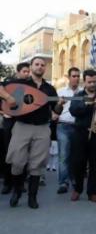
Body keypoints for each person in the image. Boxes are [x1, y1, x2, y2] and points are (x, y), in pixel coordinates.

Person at [4, 57, 64, 208]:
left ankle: (32, 197)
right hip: (22, 126)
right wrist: (9, 97)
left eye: (42, 65)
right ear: (31, 67)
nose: (40, 67)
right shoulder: (21, 83)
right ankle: (17, 191)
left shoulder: (49, 89)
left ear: (45, 68)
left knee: (37, 165)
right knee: (17, 162)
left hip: (42, 128)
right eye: (37, 64)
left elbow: (55, 112)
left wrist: (59, 105)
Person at [69, 69, 96, 202]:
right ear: (84, 82)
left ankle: (92, 192)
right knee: (78, 163)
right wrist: (88, 105)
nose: (92, 84)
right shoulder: (79, 95)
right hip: (80, 133)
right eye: (90, 82)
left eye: (94, 81)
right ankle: (77, 189)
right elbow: (73, 111)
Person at [1, 62, 30, 194]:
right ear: (18, 72)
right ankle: (8, 183)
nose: (27, 73)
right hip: (9, 122)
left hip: (23, 123)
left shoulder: (30, 85)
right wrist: (3, 112)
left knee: (23, 153)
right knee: (8, 153)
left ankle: (20, 183)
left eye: (28, 71)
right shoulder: (8, 84)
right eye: (24, 71)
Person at [56, 67, 81, 194]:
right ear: (69, 77)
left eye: (78, 76)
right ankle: (63, 183)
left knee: (76, 156)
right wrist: (59, 104)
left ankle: (74, 179)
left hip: (78, 127)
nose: (76, 78)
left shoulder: (83, 92)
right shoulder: (60, 92)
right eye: (74, 76)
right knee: (64, 156)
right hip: (63, 126)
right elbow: (55, 110)